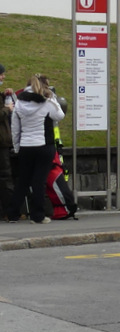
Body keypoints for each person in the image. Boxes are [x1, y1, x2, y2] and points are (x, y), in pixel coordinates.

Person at [7, 74, 64, 225]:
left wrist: (17, 147)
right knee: (39, 181)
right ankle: (37, 215)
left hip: (26, 146)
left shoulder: (19, 103)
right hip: (44, 146)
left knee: (23, 181)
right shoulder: (47, 102)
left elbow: (15, 129)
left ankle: (12, 214)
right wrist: (53, 98)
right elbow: (60, 115)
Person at [0, 64, 15, 221]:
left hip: (3, 142)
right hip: (1, 143)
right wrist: (7, 109)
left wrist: (4, 95)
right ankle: (9, 211)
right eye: (1, 74)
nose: (3, 77)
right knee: (5, 177)